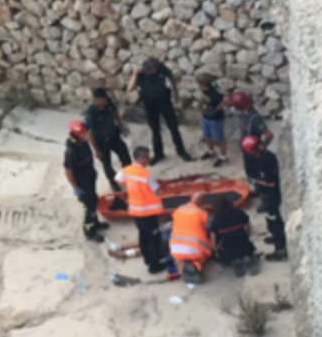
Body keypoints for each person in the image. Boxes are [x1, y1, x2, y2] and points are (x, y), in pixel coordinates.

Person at [115, 146, 173, 275]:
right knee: (154, 238)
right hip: (147, 212)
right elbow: (157, 190)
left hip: (135, 211)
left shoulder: (127, 170)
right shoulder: (145, 174)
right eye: (147, 156)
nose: (149, 159)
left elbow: (118, 179)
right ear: (140, 158)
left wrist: (130, 191)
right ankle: (154, 266)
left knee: (143, 237)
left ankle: (147, 259)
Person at [127, 58, 193, 165]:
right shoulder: (140, 74)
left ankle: (181, 151)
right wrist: (135, 73)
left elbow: (171, 76)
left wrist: (176, 93)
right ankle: (159, 154)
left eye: (154, 69)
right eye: (150, 70)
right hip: (150, 105)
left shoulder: (161, 68)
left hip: (164, 101)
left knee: (173, 127)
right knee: (155, 130)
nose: (153, 72)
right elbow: (130, 88)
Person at [242, 135, 288, 262]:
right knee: (270, 219)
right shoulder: (264, 156)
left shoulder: (265, 161)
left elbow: (271, 183)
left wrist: (255, 181)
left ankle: (280, 251)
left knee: (274, 222)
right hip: (266, 194)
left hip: (271, 195)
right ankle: (275, 237)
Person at [64, 120, 109, 243]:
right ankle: (90, 231)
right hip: (82, 182)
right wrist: (76, 188)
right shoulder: (71, 151)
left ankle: (96, 223)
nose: (86, 136)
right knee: (90, 207)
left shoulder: (82, 143)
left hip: (89, 176)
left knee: (94, 200)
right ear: (76, 135)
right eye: (84, 134)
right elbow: (68, 172)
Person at [84, 88, 132, 191]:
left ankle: (129, 178)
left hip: (114, 136)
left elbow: (115, 114)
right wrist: (96, 150)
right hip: (101, 141)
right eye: (102, 99)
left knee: (125, 157)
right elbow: (90, 133)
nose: (105, 101)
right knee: (107, 165)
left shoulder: (109, 104)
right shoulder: (91, 113)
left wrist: (121, 125)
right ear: (96, 100)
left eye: (105, 99)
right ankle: (114, 184)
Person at [228, 91, 273, 185]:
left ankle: (259, 188)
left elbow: (269, 135)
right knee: (249, 171)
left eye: (235, 106)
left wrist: (262, 147)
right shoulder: (244, 114)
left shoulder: (254, 118)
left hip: (253, 151)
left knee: (256, 173)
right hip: (246, 149)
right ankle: (253, 182)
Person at [167, 192, 214, 284]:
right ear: (201, 203)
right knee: (206, 253)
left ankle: (181, 269)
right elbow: (211, 229)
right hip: (195, 250)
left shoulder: (178, 209)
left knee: (179, 258)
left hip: (175, 249)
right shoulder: (202, 213)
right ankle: (196, 266)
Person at [208, 195, 259, 277]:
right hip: (243, 242)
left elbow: (213, 235)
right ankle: (249, 259)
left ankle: (236, 263)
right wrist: (248, 235)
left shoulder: (216, 219)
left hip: (229, 246)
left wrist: (214, 248)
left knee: (223, 252)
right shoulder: (238, 212)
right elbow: (248, 225)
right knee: (244, 245)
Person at [196, 74, 229, 167]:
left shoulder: (215, 94)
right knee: (207, 135)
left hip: (215, 119)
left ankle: (223, 157)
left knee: (220, 139)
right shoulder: (205, 90)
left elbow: (223, 100)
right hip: (205, 117)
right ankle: (211, 151)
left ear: (203, 84)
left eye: (198, 84)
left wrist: (220, 106)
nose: (197, 86)